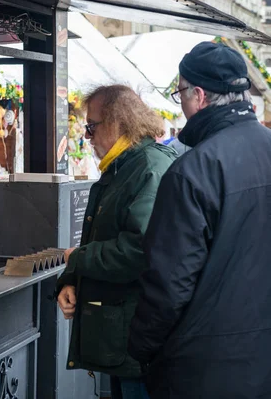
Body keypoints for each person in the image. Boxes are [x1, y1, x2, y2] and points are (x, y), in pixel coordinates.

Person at [128, 42, 271, 398]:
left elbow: (169, 283)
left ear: (198, 95)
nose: (179, 102)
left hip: (207, 370)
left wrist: (141, 347)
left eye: (180, 92)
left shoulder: (192, 172)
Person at [55, 85, 176, 399]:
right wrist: (71, 280)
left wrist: (77, 260)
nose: (87, 136)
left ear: (117, 123)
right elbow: (103, 234)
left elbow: (140, 251)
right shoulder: (123, 167)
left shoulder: (148, 168)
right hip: (119, 335)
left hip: (137, 339)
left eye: (91, 126)